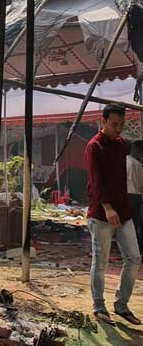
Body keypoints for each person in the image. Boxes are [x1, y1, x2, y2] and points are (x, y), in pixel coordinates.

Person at [85, 103, 141, 325]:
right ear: (104, 121)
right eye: (114, 124)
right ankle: (99, 305)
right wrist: (108, 208)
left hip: (123, 212)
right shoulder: (94, 146)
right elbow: (96, 182)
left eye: (121, 124)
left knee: (134, 257)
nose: (118, 128)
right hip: (101, 214)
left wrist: (118, 209)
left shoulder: (121, 145)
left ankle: (121, 304)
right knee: (100, 261)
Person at [127, 140, 143, 251]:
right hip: (134, 197)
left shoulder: (121, 161)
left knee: (125, 223)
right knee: (135, 223)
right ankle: (136, 248)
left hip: (122, 196)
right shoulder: (137, 165)